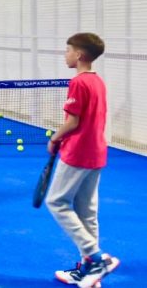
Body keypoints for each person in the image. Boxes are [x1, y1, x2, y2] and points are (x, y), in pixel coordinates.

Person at [46, 33, 119, 287]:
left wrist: (54, 139)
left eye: (68, 50)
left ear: (79, 55)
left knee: (56, 202)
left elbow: (72, 122)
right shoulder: (98, 81)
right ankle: (89, 269)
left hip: (78, 152)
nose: (65, 54)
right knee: (87, 211)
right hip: (98, 152)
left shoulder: (78, 82)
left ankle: (97, 258)